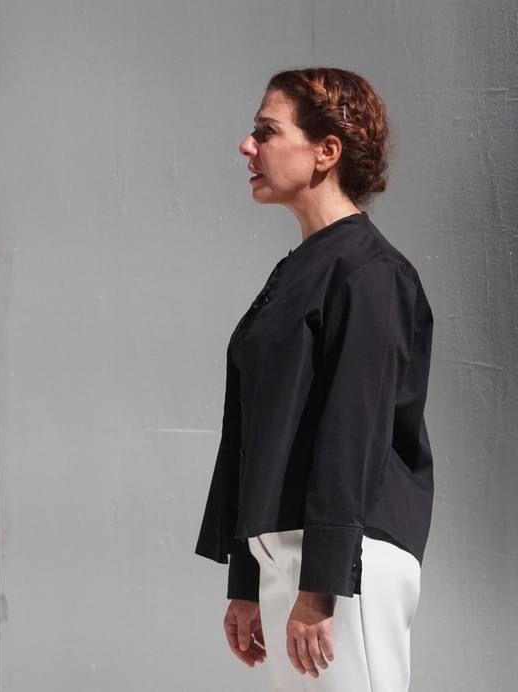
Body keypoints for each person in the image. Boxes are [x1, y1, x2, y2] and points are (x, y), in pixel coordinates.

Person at [194, 67, 434, 691]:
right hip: (293, 559)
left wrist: (322, 585)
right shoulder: (300, 271)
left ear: (327, 151)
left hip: (345, 562)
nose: (247, 146)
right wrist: (247, 579)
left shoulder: (369, 272)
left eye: (266, 131)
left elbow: (353, 432)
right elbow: (259, 427)